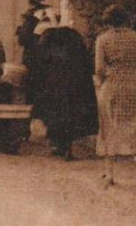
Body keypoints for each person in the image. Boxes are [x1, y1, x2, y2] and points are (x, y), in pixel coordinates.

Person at [94, 5, 136, 191]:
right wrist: (135, 73)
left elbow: (99, 69)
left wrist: (104, 79)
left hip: (112, 85)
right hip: (133, 84)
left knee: (109, 127)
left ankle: (110, 175)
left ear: (108, 22)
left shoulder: (103, 39)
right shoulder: (135, 37)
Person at [32, 9, 98, 160]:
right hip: (74, 83)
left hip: (54, 83)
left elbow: (41, 61)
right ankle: (66, 147)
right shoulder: (73, 35)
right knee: (69, 115)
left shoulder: (47, 37)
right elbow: (85, 61)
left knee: (55, 115)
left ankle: (59, 146)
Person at [16, 0, 47, 68]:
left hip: (34, 50)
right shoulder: (32, 15)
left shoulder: (32, 16)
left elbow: (22, 38)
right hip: (34, 50)